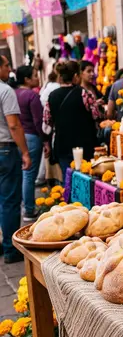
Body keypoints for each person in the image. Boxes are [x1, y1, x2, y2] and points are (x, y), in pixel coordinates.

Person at [0, 56, 31, 263]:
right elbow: (13, 125)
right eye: (6, 65)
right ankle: (10, 249)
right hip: (5, 149)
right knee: (10, 200)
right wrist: (25, 152)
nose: (9, 68)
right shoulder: (5, 90)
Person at [47, 61, 99, 176]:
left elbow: (47, 121)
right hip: (85, 144)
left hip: (62, 145)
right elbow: (96, 116)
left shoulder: (52, 96)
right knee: (85, 177)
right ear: (75, 76)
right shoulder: (85, 94)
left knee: (68, 179)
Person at [15, 65, 47, 222]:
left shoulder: (13, 94)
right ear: (27, 79)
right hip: (32, 137)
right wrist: (45, 140)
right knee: (29, 174)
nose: (37, 78)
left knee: (22, 173)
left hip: (17, 137)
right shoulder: (31, 96)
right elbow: (38, 121)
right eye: (35, 75)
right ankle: (28, 209)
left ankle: (24, 206)